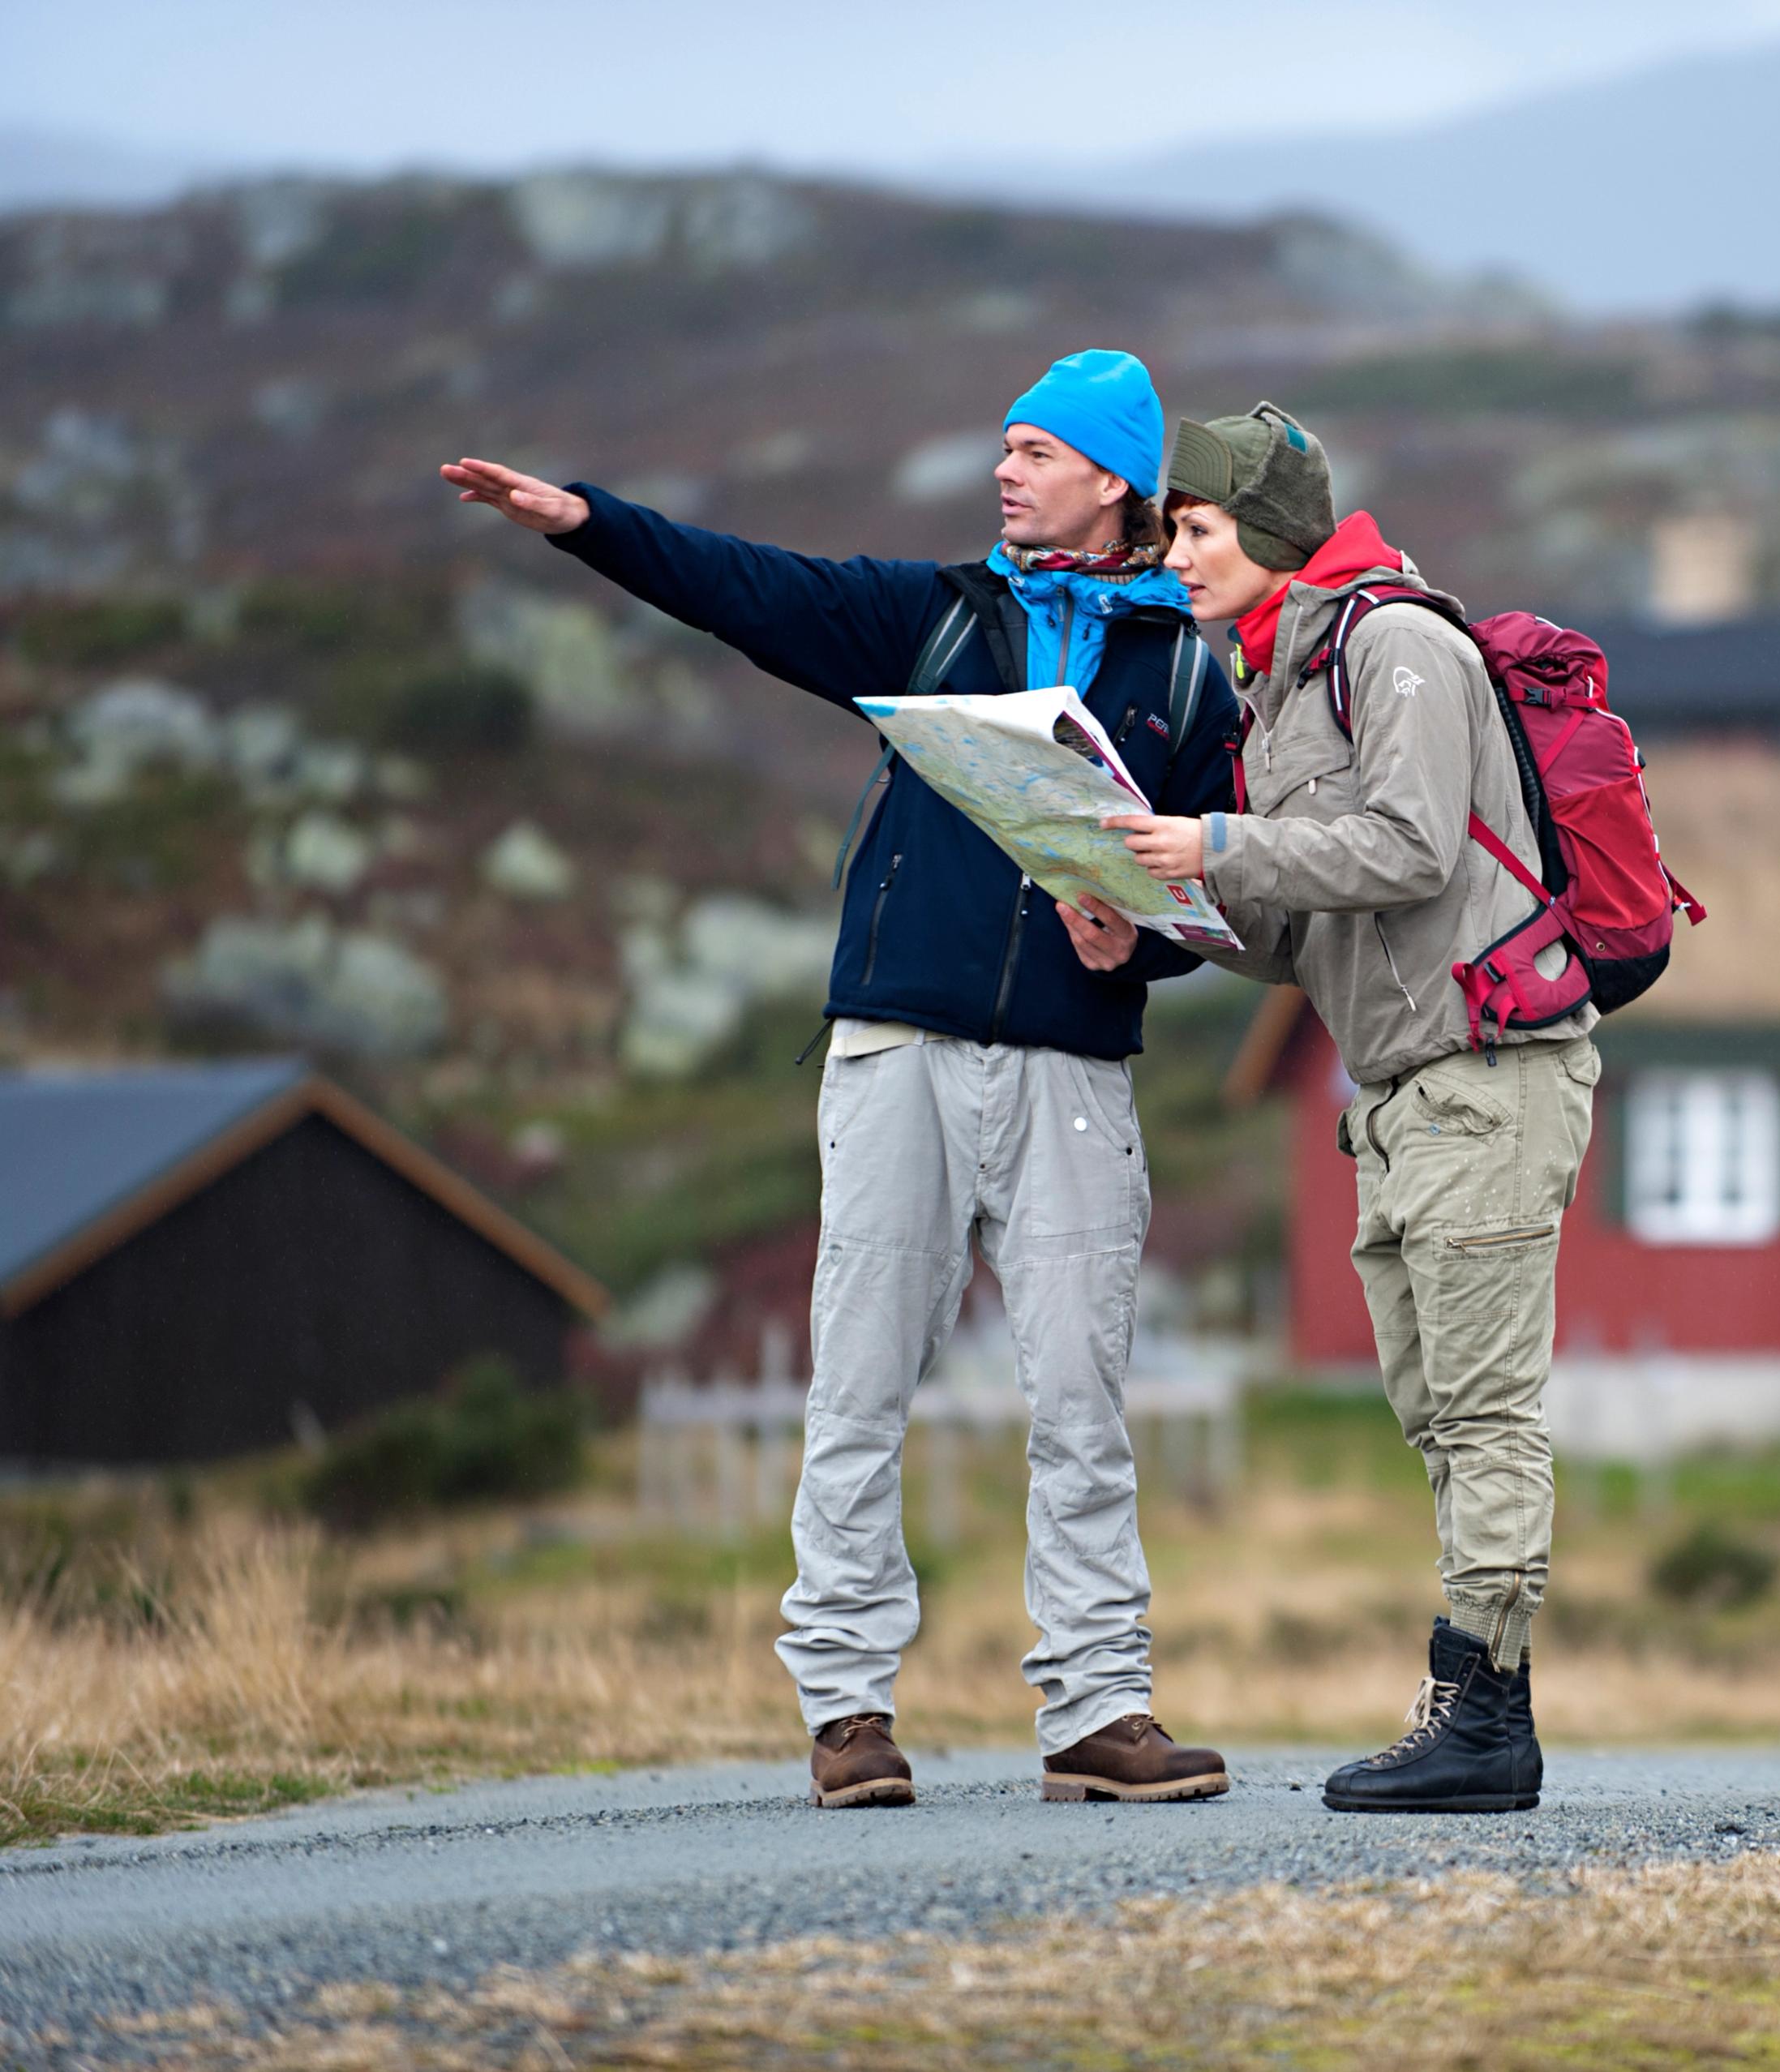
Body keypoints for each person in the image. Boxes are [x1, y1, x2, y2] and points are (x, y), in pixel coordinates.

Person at [439, 350, 1237, 1811]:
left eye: (1038, 452)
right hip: (896, 1048)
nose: (1005, 470)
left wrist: (1141, 946)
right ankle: (848, 1712)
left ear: (1114, 480)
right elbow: (749, 588)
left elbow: (1222, 894)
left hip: (1075, 1071)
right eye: (1003, 445)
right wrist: (586, 523)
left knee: (1084, 1398)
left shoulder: (1189, 667)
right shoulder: (927, 617)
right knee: (858, 1383)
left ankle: (1099, 1714)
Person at [1062, 401, 1598, 1814]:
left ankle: (1482, 1712)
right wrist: (1169, 915)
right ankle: (1484, 1704)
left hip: (1490, 1076)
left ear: (1275, 533)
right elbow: (1315, 930)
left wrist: (1220, 840)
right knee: (1438, 1413)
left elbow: (1413, 849)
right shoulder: (1286, 684)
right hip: (1406, 1096)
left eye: (1198, 527)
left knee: (1484, 1414)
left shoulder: (1397, 646)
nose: (1174, 554)